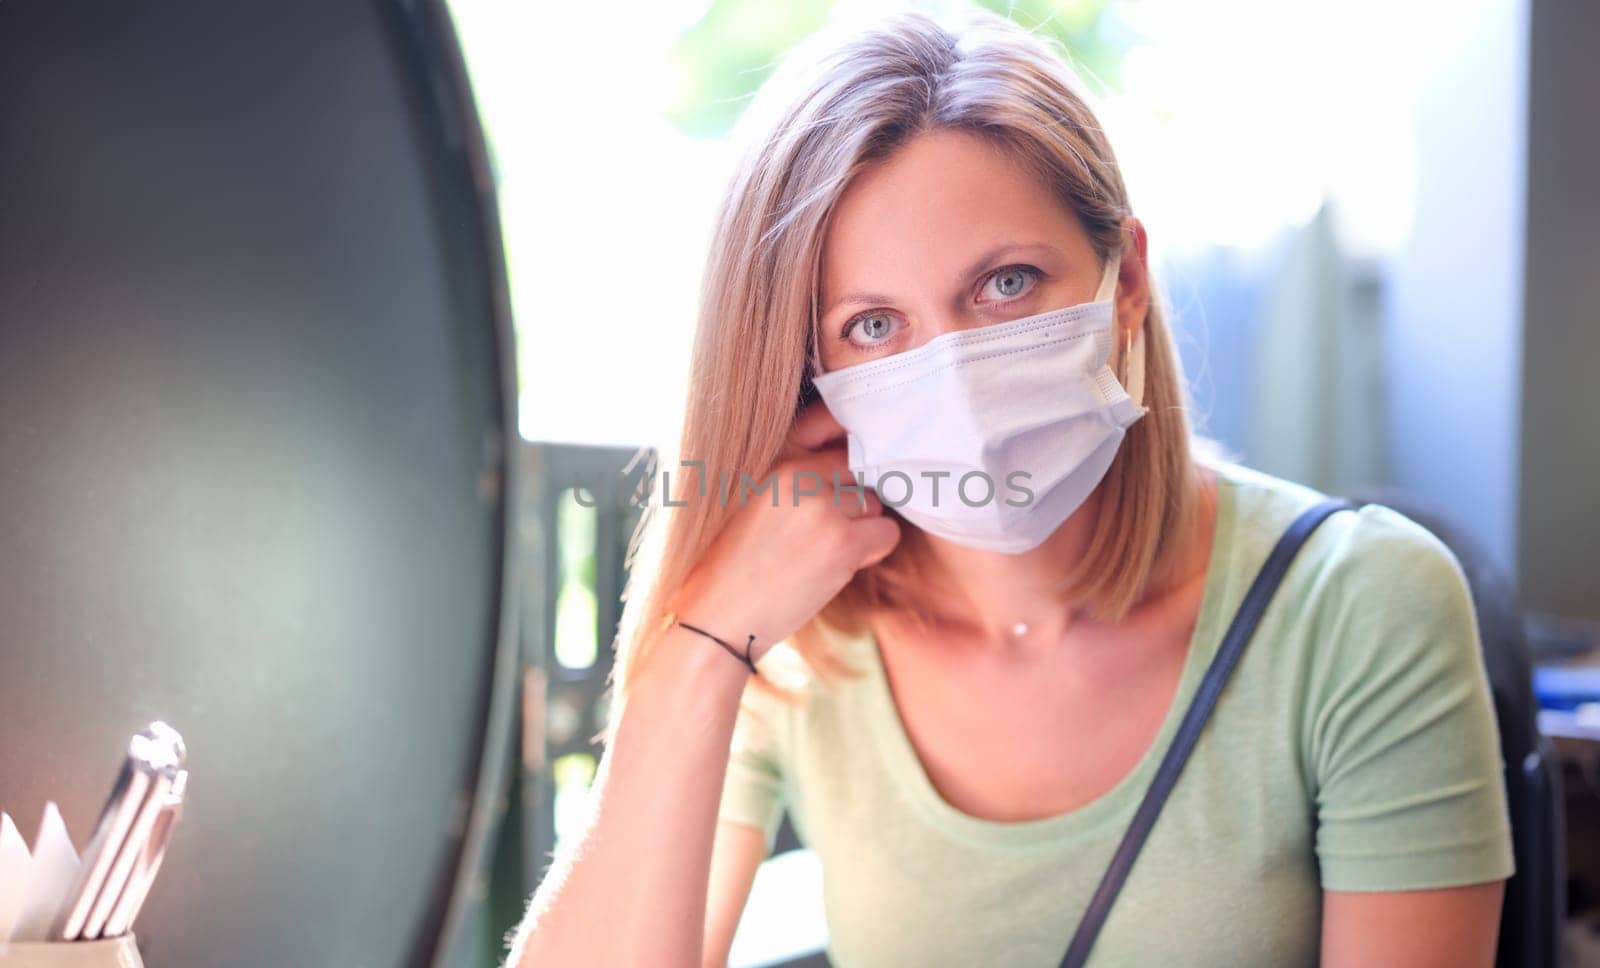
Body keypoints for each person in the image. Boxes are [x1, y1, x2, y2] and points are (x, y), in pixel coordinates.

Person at [506, 9, 1514, 967]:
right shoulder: (803, 646)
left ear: (1123, 281)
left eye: (1005, 284)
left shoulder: (1360, 601)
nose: (954, 379)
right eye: (871, 325)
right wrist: (702, 645)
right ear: (810, 380)